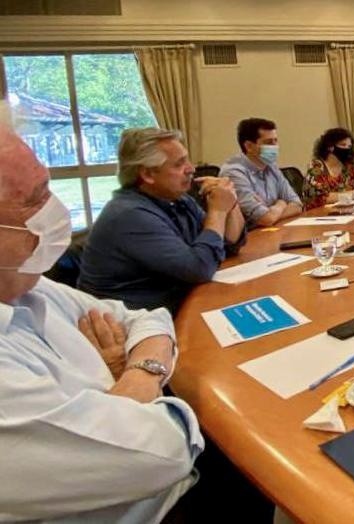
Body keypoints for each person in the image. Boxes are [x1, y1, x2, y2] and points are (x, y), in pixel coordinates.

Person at [0, 115, 203, 522]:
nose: (54, 208)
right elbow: (165, 451)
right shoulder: (131, 214)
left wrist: (134, 374)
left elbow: (147, 320)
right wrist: (130, 378)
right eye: (35, 198)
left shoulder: (30, 287)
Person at [79, 128, 246, 314]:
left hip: (174, 307)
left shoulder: (177, 199)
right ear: (148, 175)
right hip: (130, 325)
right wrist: (217, 211)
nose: (191, 169)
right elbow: (200, 268)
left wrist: (230, 200)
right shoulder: (129, 215)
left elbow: (226, 245)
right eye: (179, 164)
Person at [220, 118, 303, 228]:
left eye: (275, 141)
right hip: (249, 239)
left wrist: (272, 212)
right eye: (268, 142)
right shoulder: (234, 173)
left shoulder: (271, 167)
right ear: (249, 146)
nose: (274, 147)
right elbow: (265, 219)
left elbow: (297, 205)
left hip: (272, 231)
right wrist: (281, 203)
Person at [302, 128, 354, 209]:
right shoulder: (316, 167)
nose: (347, 149)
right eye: (343, 145)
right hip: (320, 216)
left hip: (347, 213)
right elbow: (319, 198)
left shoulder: (351, 167)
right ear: (330, 147)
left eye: (349, 146)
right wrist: (353, 193)